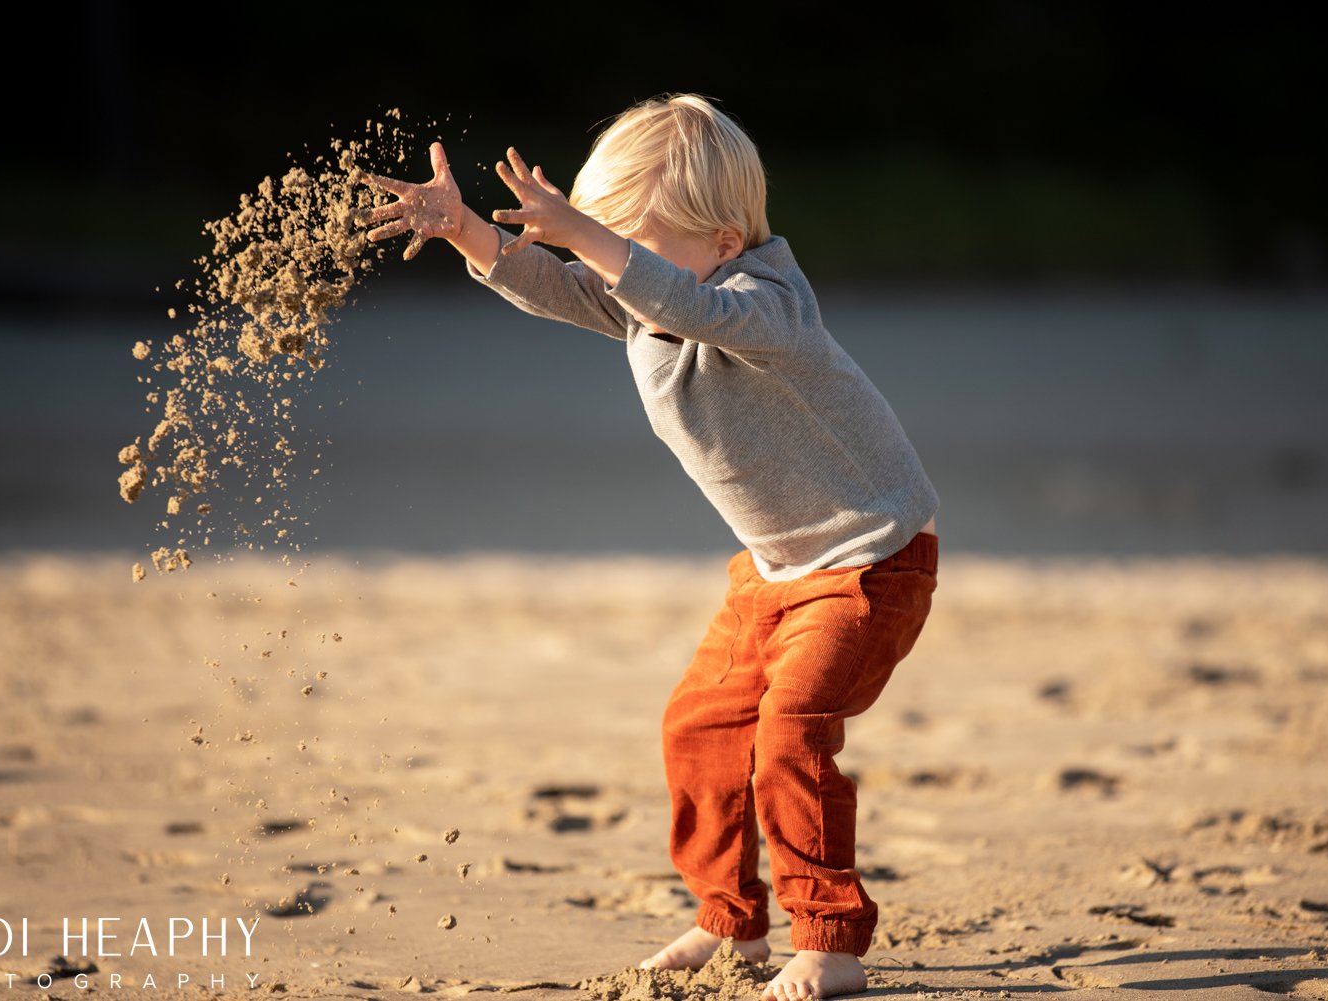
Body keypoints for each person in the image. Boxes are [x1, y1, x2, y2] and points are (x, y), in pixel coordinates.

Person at [363, 94, 940, 1001]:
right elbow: (560, 286)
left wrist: (595, 242)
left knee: (789, 733)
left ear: (719, 242)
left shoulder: (767, 302)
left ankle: (829, 936)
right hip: (774, 572)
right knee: (700, 727)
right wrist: (472, 232)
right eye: (603, 238)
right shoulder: (644, 300)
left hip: (871, 562)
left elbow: (673, 298)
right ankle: (731, 918)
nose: (609, 263)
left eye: (624, 241)